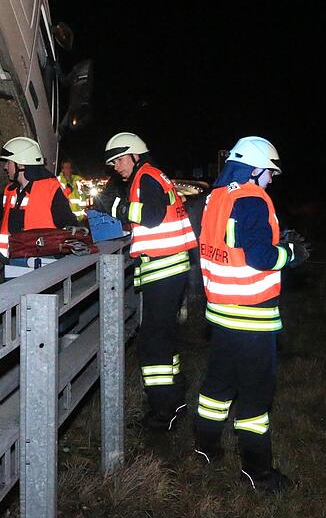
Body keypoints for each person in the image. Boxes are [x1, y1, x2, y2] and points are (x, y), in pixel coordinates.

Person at [193, 136, 307, 493]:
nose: (271, 179)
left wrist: (275, 243)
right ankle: (259, 474)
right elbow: (259, 257)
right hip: (253, 317)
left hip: (222, 314)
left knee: (217, 387)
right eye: (269, 172)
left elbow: (231, 246)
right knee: (256, 400)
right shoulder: (254, 199)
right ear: (255, 169)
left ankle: (205, 450)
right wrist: (290, 254)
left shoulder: (216, 197)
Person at [92, 132, 197, 431]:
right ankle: (174, 398)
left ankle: (164, 412)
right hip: (170, 269)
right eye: (113, 162)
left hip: (163, 271)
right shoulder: (153, 176)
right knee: (163, 337)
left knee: (152, 343)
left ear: (135, 155)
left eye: (119, 159)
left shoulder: (147, 178)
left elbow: (151, 217)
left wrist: (113, 208)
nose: (116, 166)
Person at [0, 136, 77, 259]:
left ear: (21, 164)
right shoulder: (11, 192)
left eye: (9, 162)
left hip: (43, 269)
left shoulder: (50, 190)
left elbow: (70, 227)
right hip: (13, 263)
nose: (5, 167)